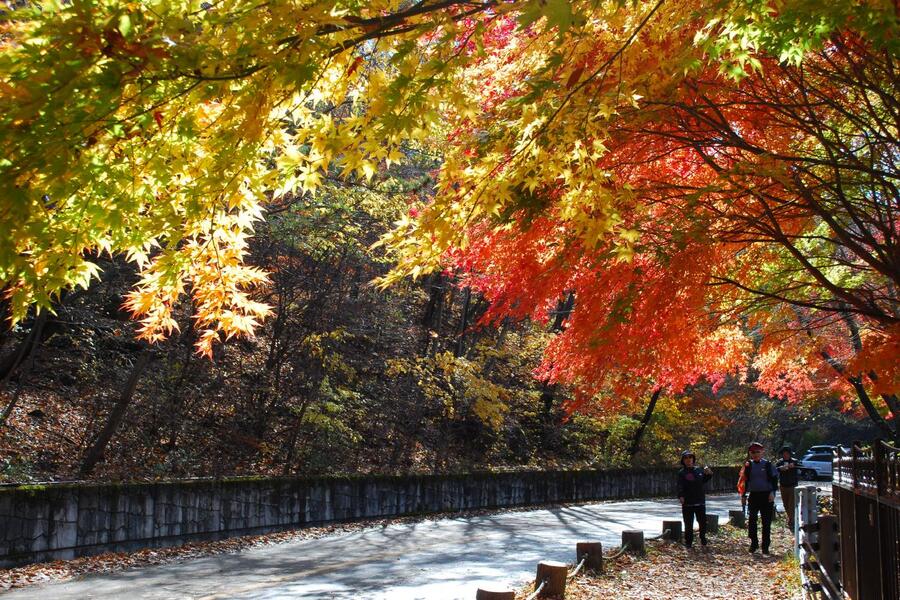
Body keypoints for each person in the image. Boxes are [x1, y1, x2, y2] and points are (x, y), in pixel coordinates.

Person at [741, 441, 779, 554]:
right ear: (750, 453)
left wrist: (772, 493)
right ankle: (754, 543)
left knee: (766, 522)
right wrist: (743, 495)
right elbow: (744, 482)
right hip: (753, 496)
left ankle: (765, 546)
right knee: (752, 520)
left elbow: (774, 480)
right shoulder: (748, 465)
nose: (756, 454)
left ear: (762, 452)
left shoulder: (768, 465)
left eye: (758, 452)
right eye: (753, 452)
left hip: (767, 496)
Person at [677, 449, 712, 548]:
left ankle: (703, 537)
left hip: (700, 501)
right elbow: (680, 485)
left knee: (702, 522)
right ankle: (689, 542)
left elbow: (704, 480)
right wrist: (681, 496)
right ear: (683, 460)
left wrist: (709, 474)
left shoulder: (699, 470)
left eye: (690, 457)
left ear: (693, 459)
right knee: (688, 523)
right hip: (688, 502)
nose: (688, 460)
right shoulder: (682, 473)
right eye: (686, 458)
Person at [775, 446, 799, 530]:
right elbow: (775, 470)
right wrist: (780, 469)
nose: (785, 455)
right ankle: (791, 518)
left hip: (792, 486)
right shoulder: (779, 462)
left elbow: (800, 466)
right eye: (784, 454)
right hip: (783, 485)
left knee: (791, 504)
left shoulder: (794, 461)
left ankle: (792, 520)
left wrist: (794, 465)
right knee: (785, 504)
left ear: (790, 454)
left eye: (787, 454)